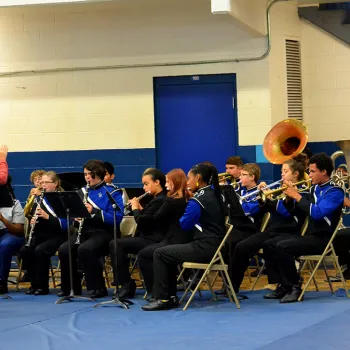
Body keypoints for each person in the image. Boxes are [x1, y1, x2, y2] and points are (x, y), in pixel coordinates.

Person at [142, 163, 225, 311]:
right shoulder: (216, 194)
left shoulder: (198, 200)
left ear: (198, 178)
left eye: (189, 178)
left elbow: (184, 224)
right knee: (167, 252)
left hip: (204, 247)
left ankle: (163, 298)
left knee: (160, 253)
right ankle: (170, 296)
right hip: (217, 247)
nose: (187, 182)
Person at [262, 153, 344, 303]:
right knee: (270, 244)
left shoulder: (334, 191)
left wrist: (297, 196)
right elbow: (293, 211)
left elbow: (317, 213)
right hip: (310, 235)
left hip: (323, 238)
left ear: (323, 172)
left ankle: (294, 286)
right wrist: (288, 197)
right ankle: (284, 285)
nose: (309, 175)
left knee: (282, 246)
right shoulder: (313, 189)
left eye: (312, 171)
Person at [229, 154, 309, 294]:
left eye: (286, 171)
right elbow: (267, 208)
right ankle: (231, 287)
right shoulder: (279, 187)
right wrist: (262, 197)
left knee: (271, 245)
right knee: (242, 247)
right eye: (281, 171)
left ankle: (286, 284)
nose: (282, 174)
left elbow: (287, 213)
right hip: (274, 229)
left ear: (296, 174)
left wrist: (272, 199)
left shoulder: (302, 190)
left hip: (290, 230)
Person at [58, 160, 124, 298]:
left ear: (99, 174)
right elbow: (70, 215)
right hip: (85, 231)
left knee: (85, 249)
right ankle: (70, 288)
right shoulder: (81, 192)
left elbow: (116, 218)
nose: (87, 177)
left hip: (104, 232)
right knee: (65, 249)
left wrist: (93, 211)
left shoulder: (113, 192)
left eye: (90, 174)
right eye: (85, 174)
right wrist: (75, 217)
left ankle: (98, 288)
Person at [109, 168, 168, 299]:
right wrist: (141, 209)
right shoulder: (156, 199)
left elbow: (142, 222)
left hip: (154, 240)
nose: (143, 187)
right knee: (116, 244)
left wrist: (135, 208)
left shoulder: (160, 199)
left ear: (157, 182)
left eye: (146, 184)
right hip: (148, 237)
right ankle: (126, 283)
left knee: (116, 244)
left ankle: (126, 284)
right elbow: (149, 218)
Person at [138, 169, 192, 299]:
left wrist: (137, 210)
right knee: (157, 254)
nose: (166, 184)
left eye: (168, 181)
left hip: (173, 240)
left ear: (175, 182)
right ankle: (169, 292)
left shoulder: (171, 200)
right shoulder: (187, 197)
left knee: (144, 255)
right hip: (185, 239)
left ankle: (156, 291)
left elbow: (157, 218)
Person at [20, 171, 68, 295]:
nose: (43, 185)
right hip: (42, 233)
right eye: (42, 183)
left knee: (40, 250)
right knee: (25, 250)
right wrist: (33, 220)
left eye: (47, 182)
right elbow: (34, 217)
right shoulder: (39, 198)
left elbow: (66, 223)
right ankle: (34, 284)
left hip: (58, 234)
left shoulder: (62, 198)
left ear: (56, 184)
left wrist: (47, 217)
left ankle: (42, 286)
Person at [0, 176, 25, 294]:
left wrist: (3, 219)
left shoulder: (15, 203)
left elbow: (19, 230)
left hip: (10, 234)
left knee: (5, 245)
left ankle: (1, 282)